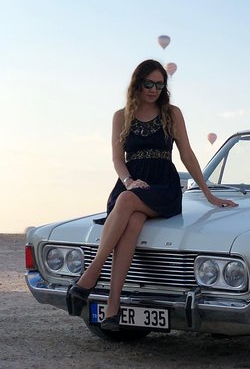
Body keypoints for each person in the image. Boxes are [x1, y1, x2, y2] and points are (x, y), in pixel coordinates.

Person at [66, 59, 238, 331]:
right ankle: (112, 308)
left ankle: (90, 276)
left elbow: (187, 155)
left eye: (160, 84)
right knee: (132, 221)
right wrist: (129, 180)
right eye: (149, 84)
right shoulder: (120, 116)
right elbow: (117, 158)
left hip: (163, 186)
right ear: (137, 83)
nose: (154, 89)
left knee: (126, 201)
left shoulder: (172, 113)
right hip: (131, 183)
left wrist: (208, 194)